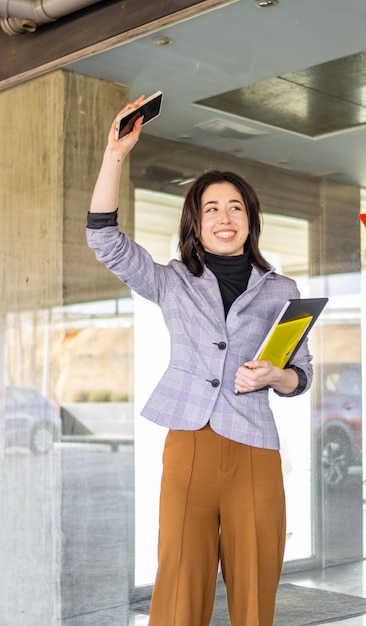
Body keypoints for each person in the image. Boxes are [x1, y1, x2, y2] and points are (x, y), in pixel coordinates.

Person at [87, 96, 313, 626]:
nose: (224, 216)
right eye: (211, 208)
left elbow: (300, 374)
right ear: (196, 222)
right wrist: (114, 155)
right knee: (180, 587)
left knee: (256, 589)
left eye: (235, 206)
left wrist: (276, 375)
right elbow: (105, 240)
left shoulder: (283, 289)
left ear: (251, 218)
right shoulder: (171, 280)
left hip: (255, 449)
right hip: (188, 443)